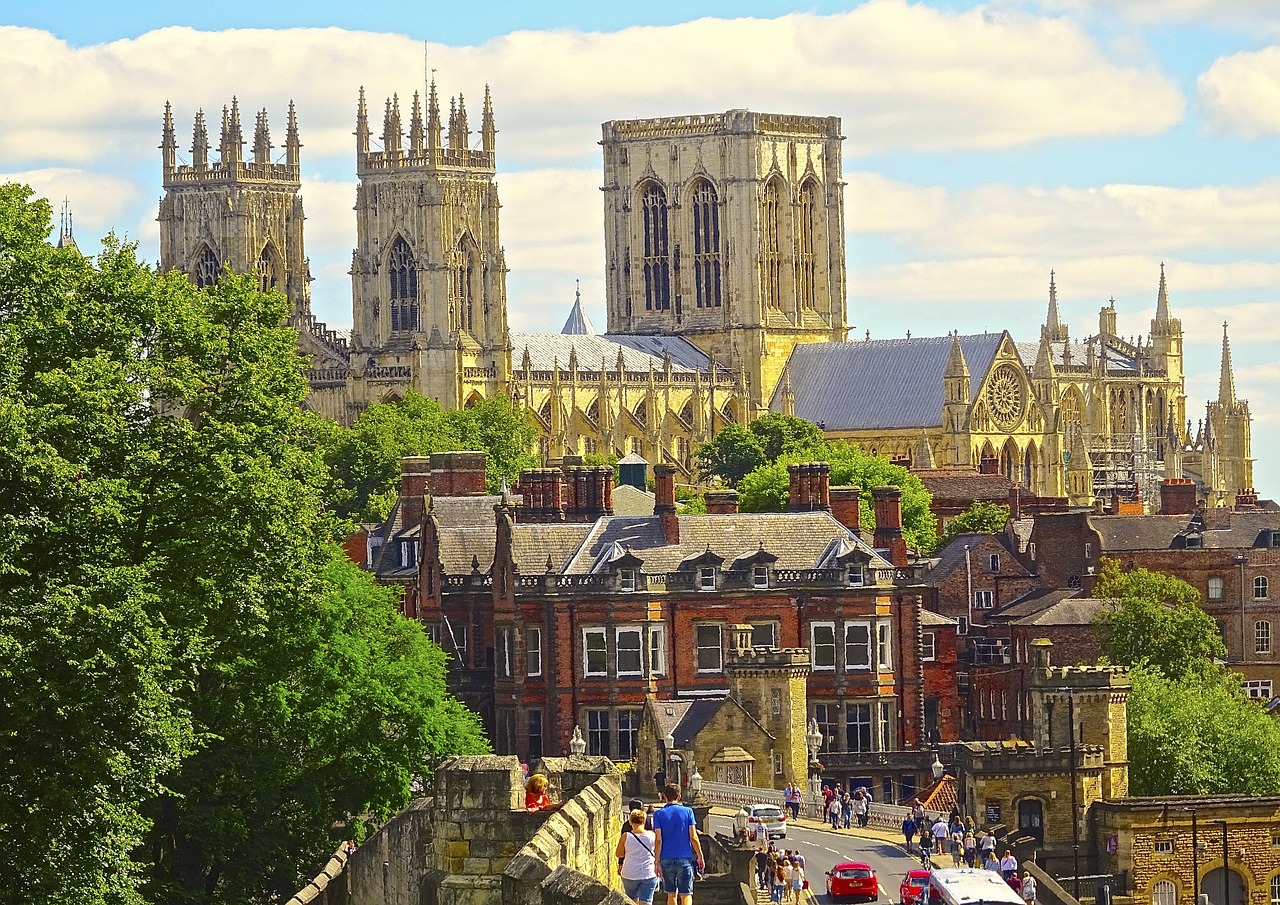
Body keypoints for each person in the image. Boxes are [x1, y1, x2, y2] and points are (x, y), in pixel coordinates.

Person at [652, 782, 705, 905]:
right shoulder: (688, 812)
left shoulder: (658, 814)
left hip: (666, 858)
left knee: (671, 894)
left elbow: (658, 840)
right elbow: (693, 837)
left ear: (664, 796)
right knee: (686, 894)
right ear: (679, 796)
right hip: (684, 858)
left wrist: (656, 861)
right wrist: (700, 855)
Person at [617, 808, 659, 904]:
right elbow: (657, 852)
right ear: (644, 821)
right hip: (649, 872)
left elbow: (619, 854)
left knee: (631, 901)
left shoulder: (626, 836)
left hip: (630, 873)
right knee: (646, 901)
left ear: (630, 822)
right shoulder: (652, 835)